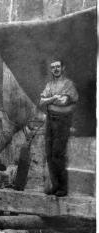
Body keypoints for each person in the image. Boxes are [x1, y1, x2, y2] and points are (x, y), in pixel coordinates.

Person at [39, 59, 78, 197]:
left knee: (57, 154)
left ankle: (63, 187)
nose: (55, 69)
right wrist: (54, 98)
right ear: (51, 70)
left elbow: (64, 101)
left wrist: (50, 99)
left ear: (63, 68)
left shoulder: (68, 84)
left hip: (62, 121)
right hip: (50, 120)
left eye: (57, 66)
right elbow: (41, 102)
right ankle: (55, 186)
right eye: (52, 67)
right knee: (49, 154)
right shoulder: (49, 84)